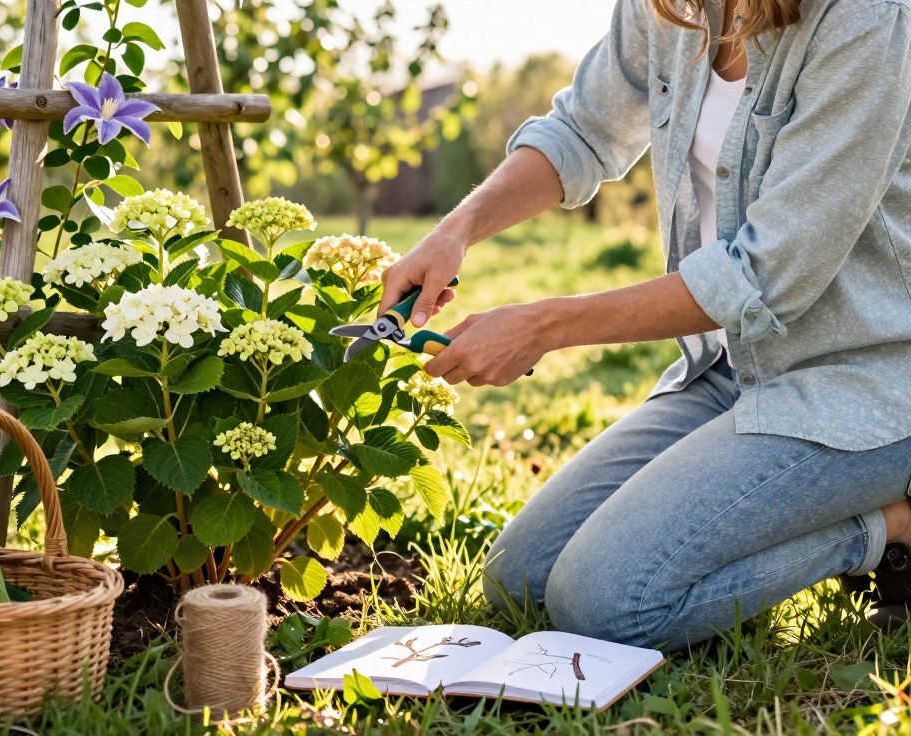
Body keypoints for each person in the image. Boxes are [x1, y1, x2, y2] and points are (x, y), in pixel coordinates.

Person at [379, 0, 911, 650]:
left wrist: (543, 327)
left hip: (863, 383)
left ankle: (891, 525)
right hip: (730, 370)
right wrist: (456, 230)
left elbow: (766, 277)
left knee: (605, 603)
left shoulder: (865, 19)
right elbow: (583, 128)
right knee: (520, 578)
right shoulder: (671, 9)